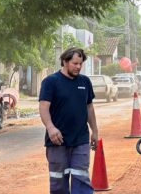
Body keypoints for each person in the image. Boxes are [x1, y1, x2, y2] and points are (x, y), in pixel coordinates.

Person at [39, 47, 99, 194]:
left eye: (80, 64)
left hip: (81, 139)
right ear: (65, 62)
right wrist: (51, 128)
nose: (78, 67)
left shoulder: (85, 82)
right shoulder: (50, 82)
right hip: (57, 141)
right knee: (58, 182)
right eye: (75, 63)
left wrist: (95, 131)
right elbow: (43, 107)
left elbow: (89, 108)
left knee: (81, 179)